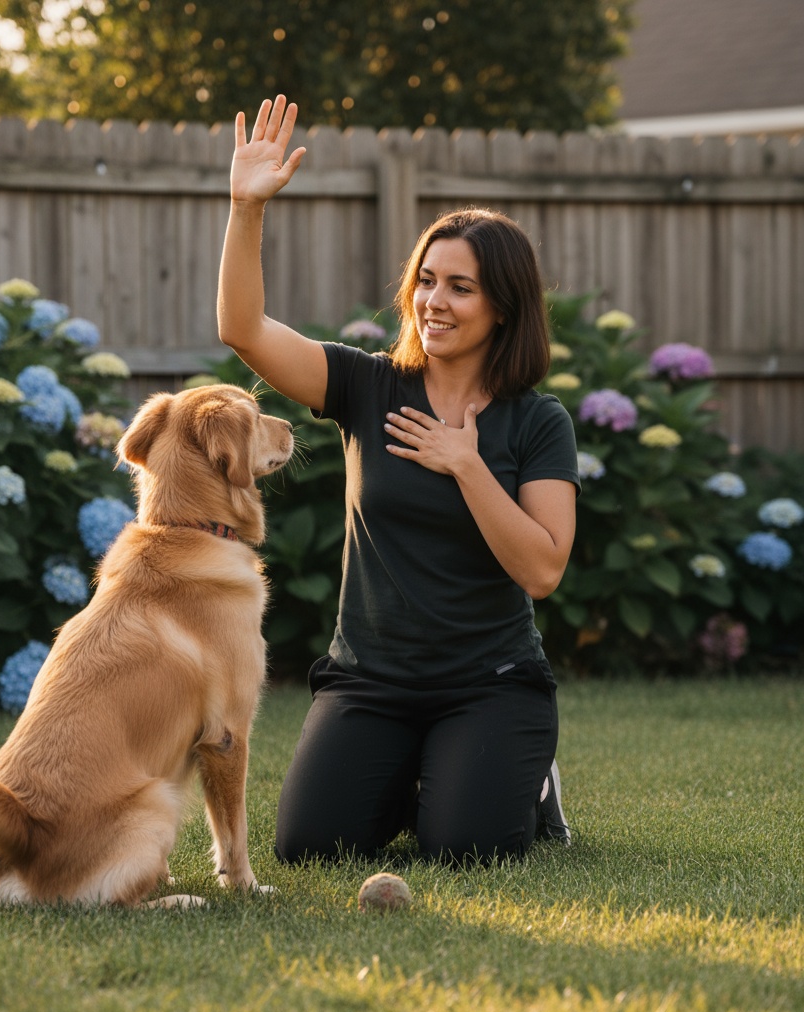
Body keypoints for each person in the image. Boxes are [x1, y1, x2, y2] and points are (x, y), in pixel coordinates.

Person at [217, 95, 580, 867]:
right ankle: (428, 771)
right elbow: (243, 330)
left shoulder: (537, 423)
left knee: (465, 850)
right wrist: (245, 208)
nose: (432, 302)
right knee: (310, 847)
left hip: (490, 681)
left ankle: (527, 784)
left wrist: (467, 464)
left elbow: (543, 569)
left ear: (504, 309)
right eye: (426, 279)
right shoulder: (367, 386)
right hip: (370, 681)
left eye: (460, 287)